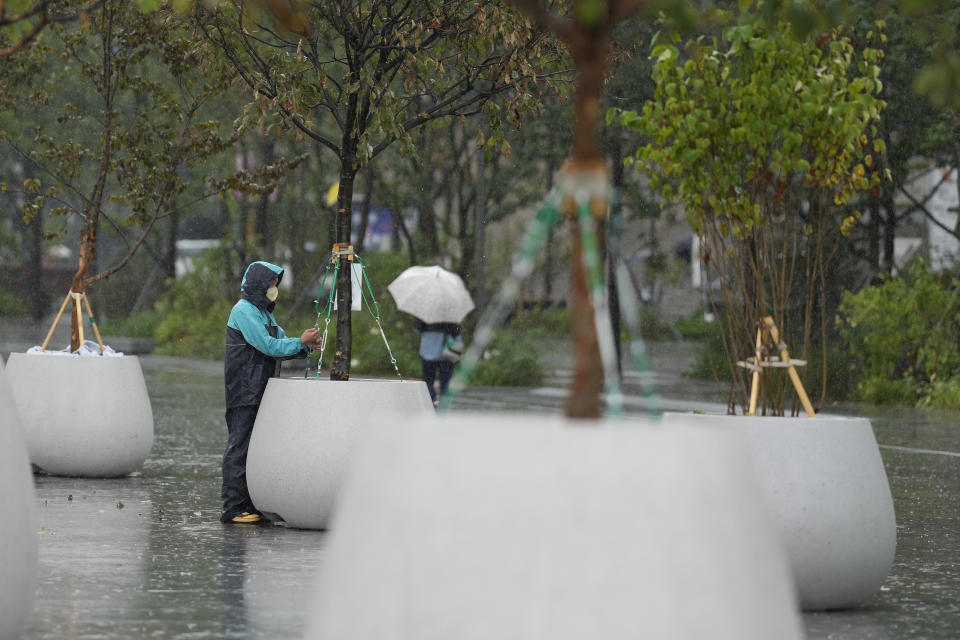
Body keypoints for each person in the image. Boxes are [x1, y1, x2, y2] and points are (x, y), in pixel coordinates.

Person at [221, 261, 320, 524]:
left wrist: (305, 346)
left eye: (275, 285)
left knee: (255, 449)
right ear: (259, 284)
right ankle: (232, 506)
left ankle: (250, 503)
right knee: (240, 446)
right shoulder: (243, 311)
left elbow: (281, 341)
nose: (274, 289)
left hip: (261, 389)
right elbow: (269, 346)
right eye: (271, 284)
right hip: (244, 390)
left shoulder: (264, 313)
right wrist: (300, 341)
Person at [415, 319, 461, 407]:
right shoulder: (451, 318)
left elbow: (418, 331)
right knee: (446, 380)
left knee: (428, 380)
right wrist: (459, 351)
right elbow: (457, 335)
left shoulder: (425, 317)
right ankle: (444, 401)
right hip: (447, 353)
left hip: (427, 352)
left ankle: (432, 399)